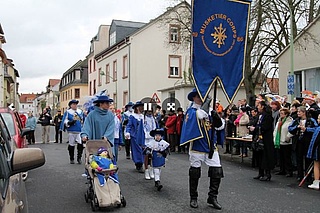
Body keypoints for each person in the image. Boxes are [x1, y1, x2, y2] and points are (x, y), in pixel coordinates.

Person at [180, 88, 223, 210]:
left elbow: (219, 127)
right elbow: (198, 116)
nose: (201, 98)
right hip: (197, 146)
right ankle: (193, 197)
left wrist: (217, 118)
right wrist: (206, 108)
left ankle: (212, 197)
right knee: (195, 172)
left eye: (203, 96)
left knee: (217, 171)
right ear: (194, 97)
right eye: (199, 96)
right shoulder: (191, 111)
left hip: (211, 146)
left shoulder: (210, 111)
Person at [288, 106, 318, 182]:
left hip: (307, 141)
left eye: (299, 112)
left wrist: (307, 129)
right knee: (299, 159)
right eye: (297, 112)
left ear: (304, 112)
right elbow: (290, 128)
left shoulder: (311, 120)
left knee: (308, 159)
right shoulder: (296, 120)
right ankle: (300, 175)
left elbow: (316, 129)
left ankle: (308, 175)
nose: (298, 113)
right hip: (298, 141)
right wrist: (296, 127)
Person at [249, 101, 275, 181]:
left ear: (263, 106)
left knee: (265, 156)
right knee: (259, 155)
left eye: (259, 106)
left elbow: (265, 127)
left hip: (266, 139)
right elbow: (257, 124)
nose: (257, 107)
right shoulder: (259, 116)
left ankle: (267, 174)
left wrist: (256, 128)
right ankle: (260, 173)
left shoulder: (268, 116)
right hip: (258, 138)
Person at [60, 99, 84, 164]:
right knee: (71, 145)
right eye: (73, 104)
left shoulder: (80, 111)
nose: (75, 105)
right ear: (70, 105)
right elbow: (64, 120)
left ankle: (79, 158)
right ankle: (72, 158)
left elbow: (83, 120)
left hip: (79, 130)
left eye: (76, 104)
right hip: (71, 130)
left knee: (80, 144)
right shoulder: (68, 112)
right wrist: (69, 122)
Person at [124, 101, 145, 173]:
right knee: (137, 150)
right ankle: (138, 164)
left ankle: (143, 163)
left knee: (143, 149)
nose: (141, 108)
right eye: (140, 107)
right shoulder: (132, 116)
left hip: (143, 135)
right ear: (136, 108)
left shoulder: (143, 116)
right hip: (135, 136)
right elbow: (129, 125)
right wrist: (127, 132)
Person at [273, 108, 293, 177]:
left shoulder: (290, 121)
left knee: (287, 157)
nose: (280, 115)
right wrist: (275, 138)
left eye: (282, 113)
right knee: (281, 157)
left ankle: (289, 171)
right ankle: (282, 170)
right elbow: (276, 130)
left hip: (286, 141)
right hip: (279, 141)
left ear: (286, 114)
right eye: (280, 113)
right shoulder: (279, 121)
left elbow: (291, 130)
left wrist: (288, 137)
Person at [306, 114, 320, 189]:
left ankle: (316, 182)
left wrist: (310, 151)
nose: (317, 120)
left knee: (316, 165)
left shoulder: (318, 129)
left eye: (318, 118)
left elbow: (315, 141)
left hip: (318, 149)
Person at [143, 106, 157, 180]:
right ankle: (146, 170)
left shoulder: (153, 118)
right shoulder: (143, 118)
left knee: (152, 155)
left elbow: (155, 127)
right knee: (146, 155)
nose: (149, 112)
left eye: (150, 111)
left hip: (152, 138)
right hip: (146, 139)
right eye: (148, 111)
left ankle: (150, 168)